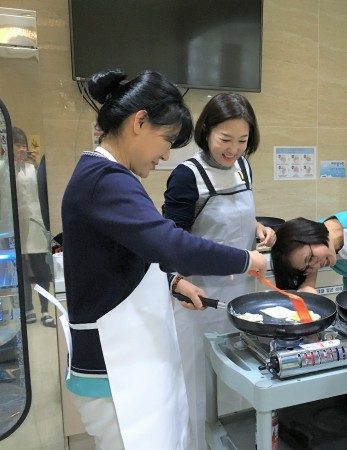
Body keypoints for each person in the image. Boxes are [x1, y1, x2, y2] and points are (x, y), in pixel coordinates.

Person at [60, 69, 266, 450]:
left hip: (125, 360)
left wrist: (173, 282)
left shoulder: (108, 175)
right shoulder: (105, 179)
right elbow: (172, 244)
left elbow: (135, 252)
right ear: (140, 122)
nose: (166, 155)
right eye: (167, 140)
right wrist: (244, 259)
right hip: (113, 367)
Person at [162, 92, 275, 450]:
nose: (234, 149)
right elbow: (171, 241)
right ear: (206, 131)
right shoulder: (187, 175)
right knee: (199, 390)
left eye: (243, 140)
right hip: (200, 302)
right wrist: (174, 281)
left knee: (240, 384)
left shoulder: (244, 167)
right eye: (226, 139)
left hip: (242, 299)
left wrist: (256, 227)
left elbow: (230, 217)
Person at [13, 127, 55, 327]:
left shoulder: (33, 169)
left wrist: (36, 165)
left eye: (23, 145)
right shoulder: (4, 168)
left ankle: (46, 310)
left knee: (42, 271)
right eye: (17, 145)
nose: (21, 149)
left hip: (36, 224)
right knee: (19, 271)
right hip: (16, 226)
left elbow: (44, 189)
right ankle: (28, 309)